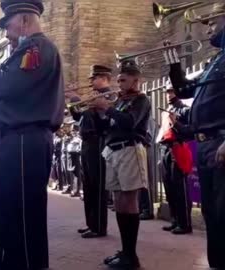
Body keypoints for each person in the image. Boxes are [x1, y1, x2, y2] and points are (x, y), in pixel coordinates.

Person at [0, 0, 65, 268]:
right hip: (14, 138)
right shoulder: (22, 50)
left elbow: (11, 87)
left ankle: (25, 263)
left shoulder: (37, 48)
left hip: (26, 138)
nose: (6, 33)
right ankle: (8, 257)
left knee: (23, 211)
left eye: (8, 25)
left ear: (24, 20)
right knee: (6, 205)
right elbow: (1, 99)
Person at [166, 5, 225, 267]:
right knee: (213, 215)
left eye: (213, 20)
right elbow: (185, 89)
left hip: (221, 142)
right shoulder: (217, 60)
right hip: (206, 145)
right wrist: (172, 62)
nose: (207, 26)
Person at [91, 61, 151, 268]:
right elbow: (104, 129)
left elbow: (128, 122)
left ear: (136, 79)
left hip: (130, 149)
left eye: (123, 80)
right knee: (118, 201)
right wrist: (98, 112)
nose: (120, 84)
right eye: (119, 80)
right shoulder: (120, 101)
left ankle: (131, 256)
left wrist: (107, 108)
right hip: (113, 151)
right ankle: (125, 251)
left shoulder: (141, 100)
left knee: (129, 200)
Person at [70, 65, 112, 239]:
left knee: (98, 186)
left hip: (98, 143)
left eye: (93, 78)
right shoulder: (94, 97)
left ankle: (99, 227)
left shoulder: (109, 96)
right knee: (88, 187)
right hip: (87, 144)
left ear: (103, 77)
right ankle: (91, 223)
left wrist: (98, 106)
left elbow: (105, 122)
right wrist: (73, 101)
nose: (91, 82)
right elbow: (78, 117)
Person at [157, 82, 193, 234]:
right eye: (167, 92)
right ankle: (175, 220)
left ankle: (185, 224)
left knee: (180, 189)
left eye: (172, 91)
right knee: (169, 188)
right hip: (166, 149)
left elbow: (190, 132)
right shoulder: (167, 110)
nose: (169, 95)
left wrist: (176, 122)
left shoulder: (185, 110)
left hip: (178, 148)